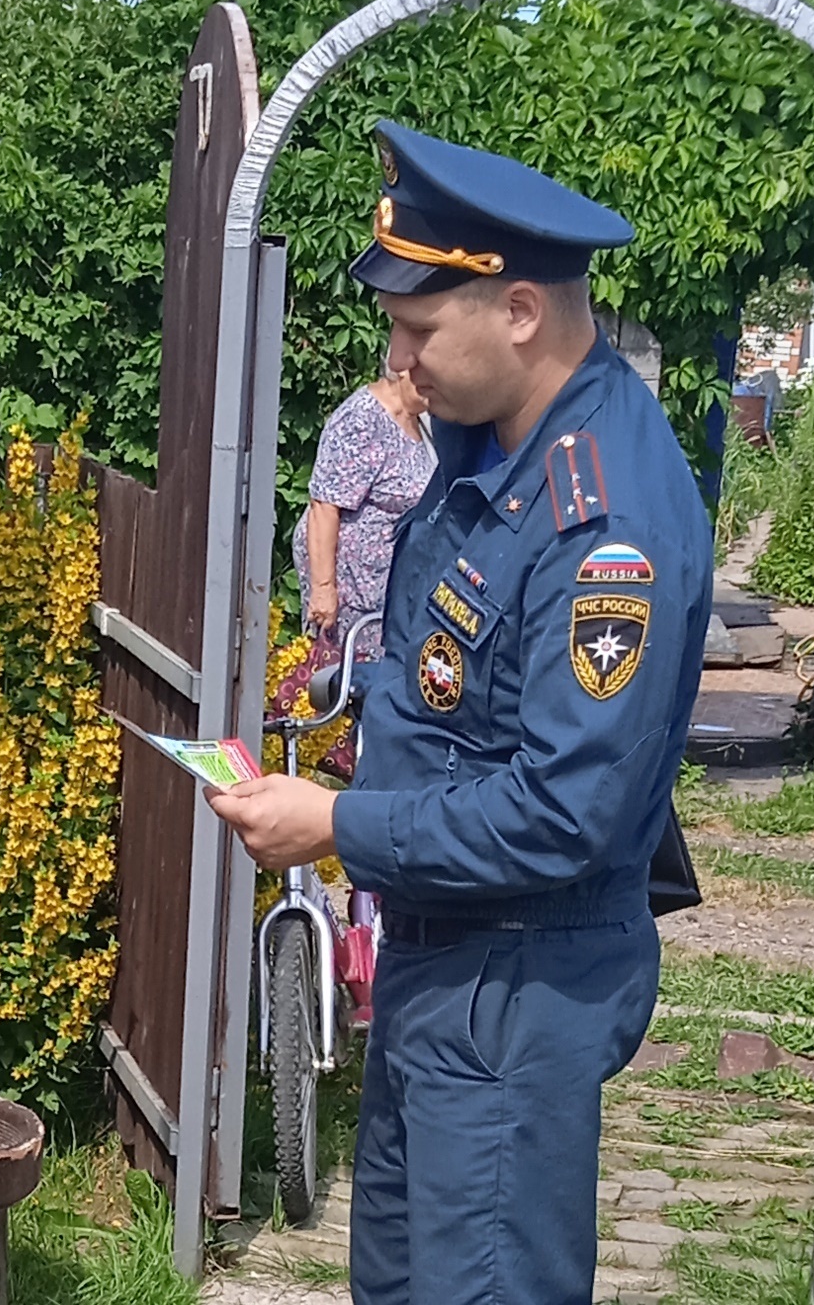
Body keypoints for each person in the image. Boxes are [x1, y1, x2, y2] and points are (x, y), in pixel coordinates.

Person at [207, 121, 713, 1305]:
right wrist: (348, 707)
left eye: (420, 328)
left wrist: (336, 825)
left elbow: (561, 812)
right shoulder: (493, 443)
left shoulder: (606, 522)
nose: (401, 358)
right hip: (447, 970)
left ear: (521, 312)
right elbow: (451, 677)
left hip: (514, 988)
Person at [295, 367, 434, 662]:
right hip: (350, 597)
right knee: (343, 682)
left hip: (384, 595)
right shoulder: (362, 419)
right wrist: (323, 590)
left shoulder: (416, 419)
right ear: (404, 371)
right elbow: (324, 506)